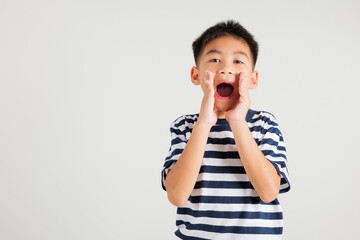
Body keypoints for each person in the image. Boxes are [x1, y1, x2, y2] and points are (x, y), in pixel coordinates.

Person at [161, 20, 290, 240]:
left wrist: (238, 122)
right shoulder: (185, 127)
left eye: (238, 61)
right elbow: (177, 196)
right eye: (214, 59)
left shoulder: (264, 124)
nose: (226, 68)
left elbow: (269, 192)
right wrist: (203, 124)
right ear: (196, 75)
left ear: (253, 79)